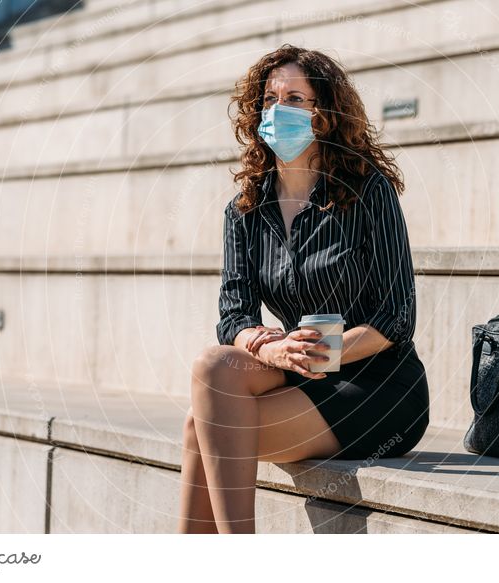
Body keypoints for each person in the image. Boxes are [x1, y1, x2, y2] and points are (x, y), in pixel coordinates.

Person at [177, 44, 430, 534]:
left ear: (324, 115)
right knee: (212, 367)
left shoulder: (365, 190)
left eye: (295, 99)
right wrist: (274, 352)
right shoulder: (245, 210)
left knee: (198, 428)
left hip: (377, 385)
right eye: (270, 100)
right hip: (298, 368)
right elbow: (233, 317)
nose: (278, 111)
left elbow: (397, 316)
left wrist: (317, 354)